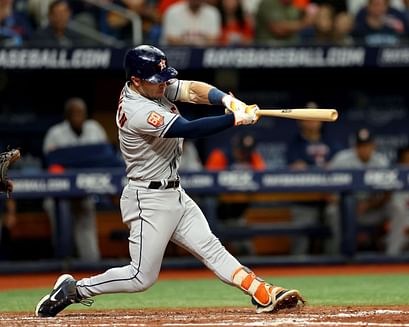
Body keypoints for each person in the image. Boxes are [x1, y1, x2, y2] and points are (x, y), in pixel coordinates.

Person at [35, 45, 304, 318]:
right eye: (157, 81)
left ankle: (262, 292)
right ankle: (75, 289)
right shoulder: (136, 108)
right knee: (141, 277)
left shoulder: (154, 85)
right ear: (136, 81)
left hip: (175, 191)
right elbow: (186, 128)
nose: (164, 84)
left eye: (164, 78)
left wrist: (226, 100)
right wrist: (234, 119)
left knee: (211, 247)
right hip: (147, 198)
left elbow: (192, 90)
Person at [42, 97, 109, 262]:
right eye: (75, 114)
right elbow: (51, 164)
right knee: (57, 215)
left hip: (86, 190)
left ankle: (91, 264)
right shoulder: (55, 133)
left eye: (82, 113)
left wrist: (71, 159)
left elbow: (106, 157)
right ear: (67, 116)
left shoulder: (94, 128)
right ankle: (63, 262)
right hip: (60, 192)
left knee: (86, 222)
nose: (79, 117)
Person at [286, 101, 341, 255]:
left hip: (328, 198)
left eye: (315, 116)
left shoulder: (330, 142)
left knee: (336, 218)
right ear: (300, 120)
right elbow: (296, 167)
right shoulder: (294, 144)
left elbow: (338, 166)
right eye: (308, 116)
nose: (312, 121)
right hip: (305, 199)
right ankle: (297, 269)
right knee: (300, 237)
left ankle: (336, 266)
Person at [326, 127, 391, 254]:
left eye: (367, 145)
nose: (364, 149)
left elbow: (388, 193)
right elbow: (325, 186)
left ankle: (393, 256)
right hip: (344, 208)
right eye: (361, 146)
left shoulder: (381, 162)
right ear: (355, 146)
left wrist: (369, 204)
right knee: (332, 211)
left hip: (370, 208)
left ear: (373, 146)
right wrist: (344, 206)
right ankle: (340, 255)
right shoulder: (341, 159)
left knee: (396, 207)